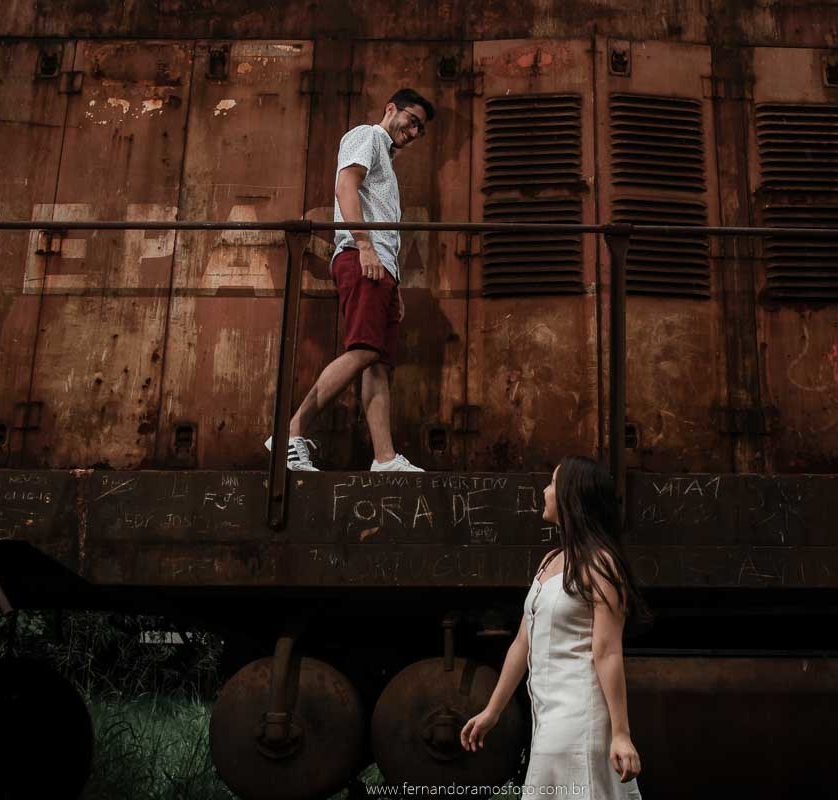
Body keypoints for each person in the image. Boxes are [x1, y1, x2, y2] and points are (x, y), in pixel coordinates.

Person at [460, 456, 650, 797]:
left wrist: (621, 733)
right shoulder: (550, 561)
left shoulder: (601, 565)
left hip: (582, 717)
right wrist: (493, 711)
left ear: (570, 497)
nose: (545, 491)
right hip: (548, 719)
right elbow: (523, 642)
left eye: (552, 484)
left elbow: (607, 652)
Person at [268, 88, 434, 472]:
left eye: (420, 131)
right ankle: (290, 433)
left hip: (379, 270)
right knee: (364, 349)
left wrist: (393, 281)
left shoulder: (387, 165)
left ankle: (384, 457)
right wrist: (364, 246)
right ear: (391, 109)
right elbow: (346, 186)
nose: (413, 133)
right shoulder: (366, 136)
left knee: (377, 361)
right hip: (363, 260)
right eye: (412, 122)